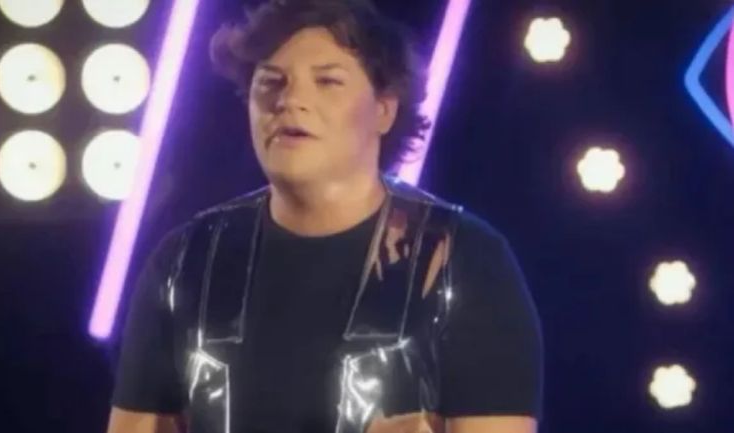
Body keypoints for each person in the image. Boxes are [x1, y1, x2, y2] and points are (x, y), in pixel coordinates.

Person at [106, 0, 543, 432]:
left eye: (327, 81)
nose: (290, 100)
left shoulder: (464, 262)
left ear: (384, 109)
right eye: (271, 82)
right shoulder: (185, 262)